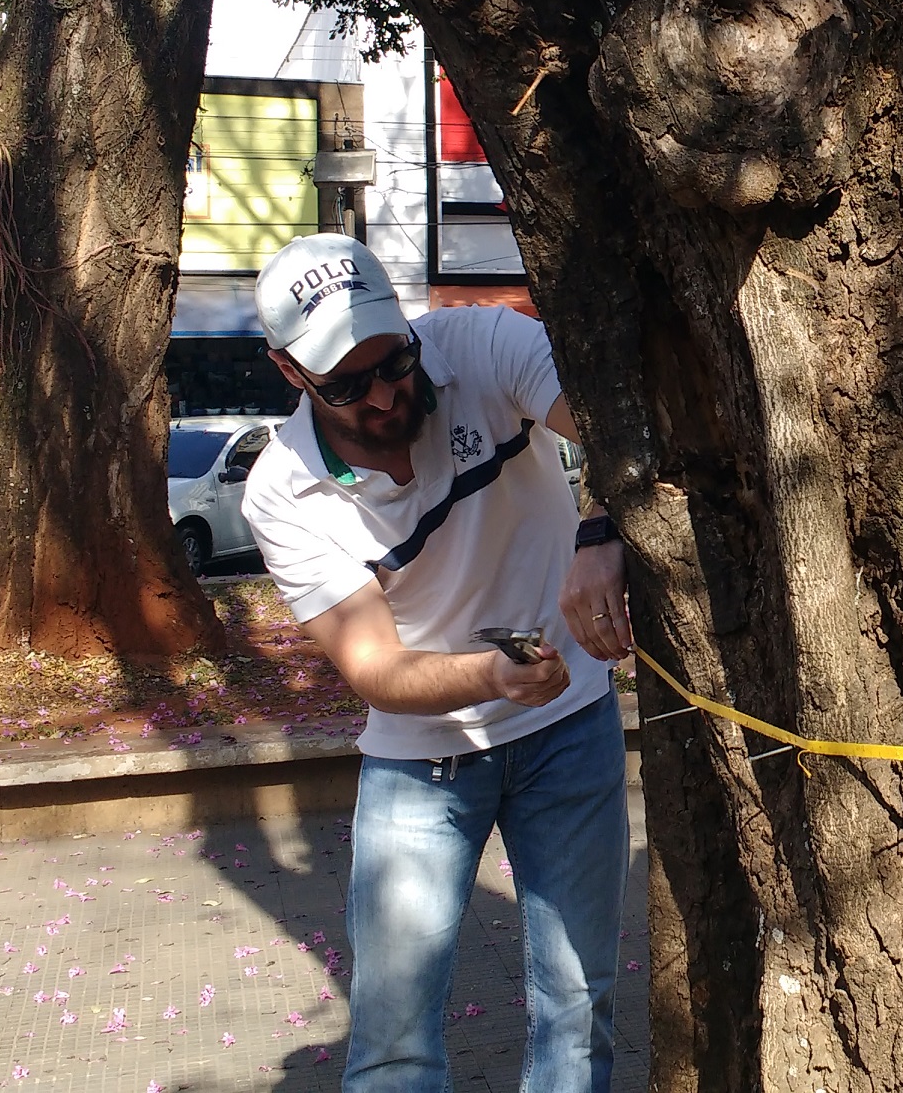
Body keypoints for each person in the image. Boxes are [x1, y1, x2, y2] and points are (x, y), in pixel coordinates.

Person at [239, 233, 630, 1092]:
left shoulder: (481, 348)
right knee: (394, 1034)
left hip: (571, 728)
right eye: (348, 384)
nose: (384, 394)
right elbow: (374, 666)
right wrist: (492, 677)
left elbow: (621, 416)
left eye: (394, 362)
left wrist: (603, 532)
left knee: (578, 1002)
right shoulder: (284, 488)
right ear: (289, 371)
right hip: (424, 761)